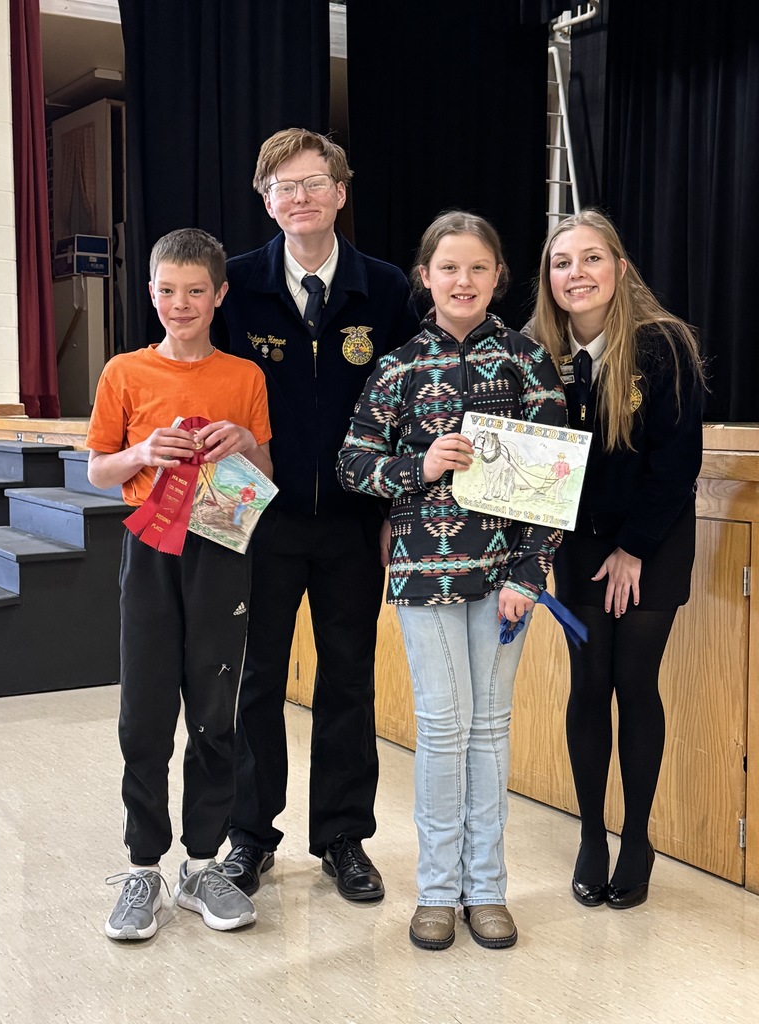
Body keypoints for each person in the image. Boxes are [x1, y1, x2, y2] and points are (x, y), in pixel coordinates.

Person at [337, 211, 566, 950]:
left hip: (505, 578)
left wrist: (530, 574)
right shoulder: (398, 366)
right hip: (424, 572)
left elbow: (555, 481)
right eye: (448, 268)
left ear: (499, 277)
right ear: (425, 277)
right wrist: (420, 465)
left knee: (491, 727)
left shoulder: (528, 361)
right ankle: (438, 890)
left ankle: (486, 887)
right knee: (442, 727)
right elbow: (353, 463)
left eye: (477, 268)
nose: (462, 281)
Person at [215, 128, 419, 903]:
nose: (298, 198)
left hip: (353, 523)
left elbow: (412, 410)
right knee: (256, 679)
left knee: (349, 681)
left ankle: (343, 837)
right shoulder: (234, 285)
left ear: (340, 191)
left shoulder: (387, 289)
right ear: (265, 201)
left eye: (312, 184)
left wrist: (396, 508)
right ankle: (248, 836)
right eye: (282, 187)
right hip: (258, 520)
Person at [87, 228, 273, 940]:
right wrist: (141, 451)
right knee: (144, 709)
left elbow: (265, 473)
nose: (181, 303)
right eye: (168, 290)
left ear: (220, 295)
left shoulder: (244, 377)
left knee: (214, 709)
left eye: (196, 291)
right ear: (151, 292)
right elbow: (99, 470)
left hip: (222, 549)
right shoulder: (124, 372)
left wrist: (244, 442)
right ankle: (144, 867)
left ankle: (201, 863)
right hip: (149, 552)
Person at [529, 208, 705, 909]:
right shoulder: (534, 352)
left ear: (620, 268)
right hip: (578, 544)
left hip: (651, 542)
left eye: (592, 258)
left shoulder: (664, 345)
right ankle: (592, 835)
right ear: (549, 278)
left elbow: (676, 462)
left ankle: (637, 837)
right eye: (562, 262)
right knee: (588, 682)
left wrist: (633, 548)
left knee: (634, 682)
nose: (577, 273)